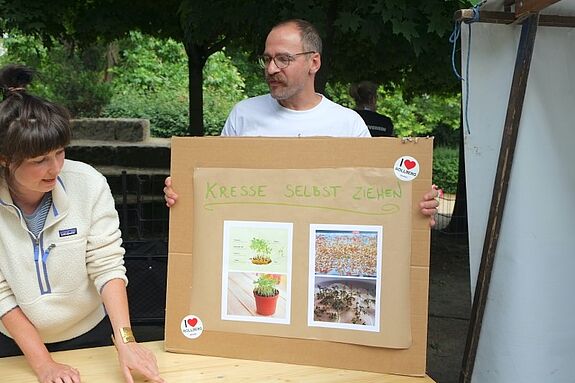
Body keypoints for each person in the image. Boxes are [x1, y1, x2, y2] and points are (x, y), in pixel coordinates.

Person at [164, 19, 440, 225]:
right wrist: (183, 195)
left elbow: (374, 197)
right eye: (268, 59)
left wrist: (417, 205)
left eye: (283, 59)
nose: (271, 69)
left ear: (314, 62)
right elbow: (216, 187)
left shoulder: (348, 125)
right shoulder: (244, 115)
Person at [0, 64, 164, 383]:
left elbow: (107, 266)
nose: (55, 168)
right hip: (14, 342)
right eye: (39, 161)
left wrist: (126, 341)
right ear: (5, 159)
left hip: (90, 331)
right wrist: (44, 364)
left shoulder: (87, 183)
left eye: (60, 153)